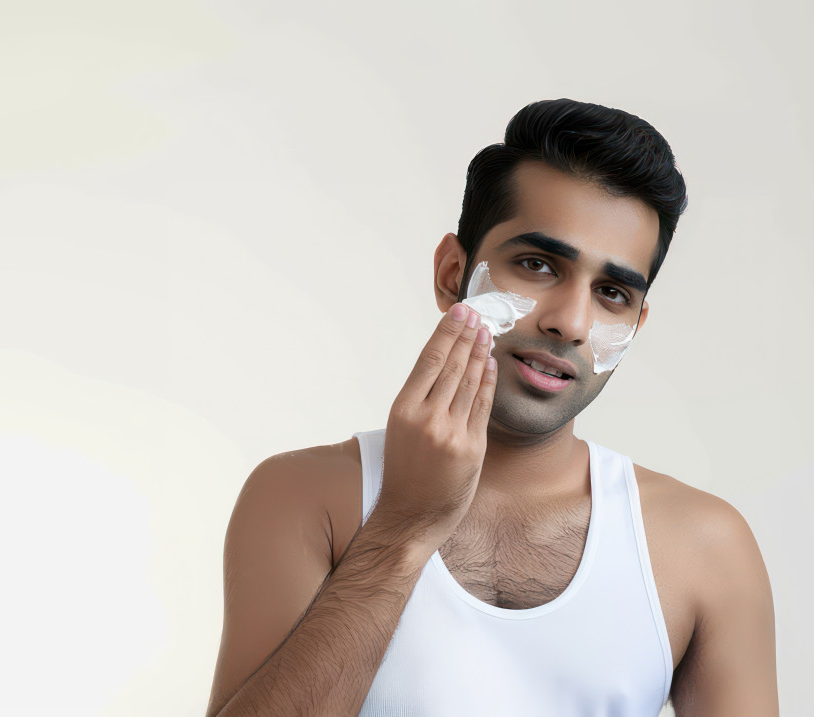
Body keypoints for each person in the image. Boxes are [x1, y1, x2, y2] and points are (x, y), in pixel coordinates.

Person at [206, 99, 778, 716]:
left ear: (636, 324)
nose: (570, 323)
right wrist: (402, 528)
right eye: (536, 265)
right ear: (453, 272)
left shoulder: (704, 547)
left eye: (611, 294)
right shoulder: (303, 497)